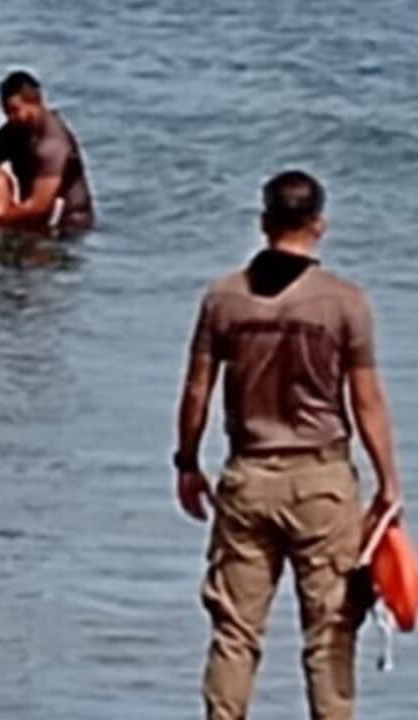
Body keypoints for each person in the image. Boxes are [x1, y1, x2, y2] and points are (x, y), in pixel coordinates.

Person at [172, 171, 406, 720]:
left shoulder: (224, 299)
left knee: (234, 629)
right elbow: (366, 400)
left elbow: (196, 389)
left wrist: (187, 462)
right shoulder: (345, 302)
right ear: (319, 225)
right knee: (329, 631)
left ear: (263, 223)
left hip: (248, 476)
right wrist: (388, 481)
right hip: (321, 482)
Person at [0, 70, 95, 231]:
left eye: (15, 110)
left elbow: (39, 206)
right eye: (6, 111)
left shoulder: (52, 143)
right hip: (30, 215)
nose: (10, 117)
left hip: (67, 221)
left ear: (35, 102)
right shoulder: (12, 131)